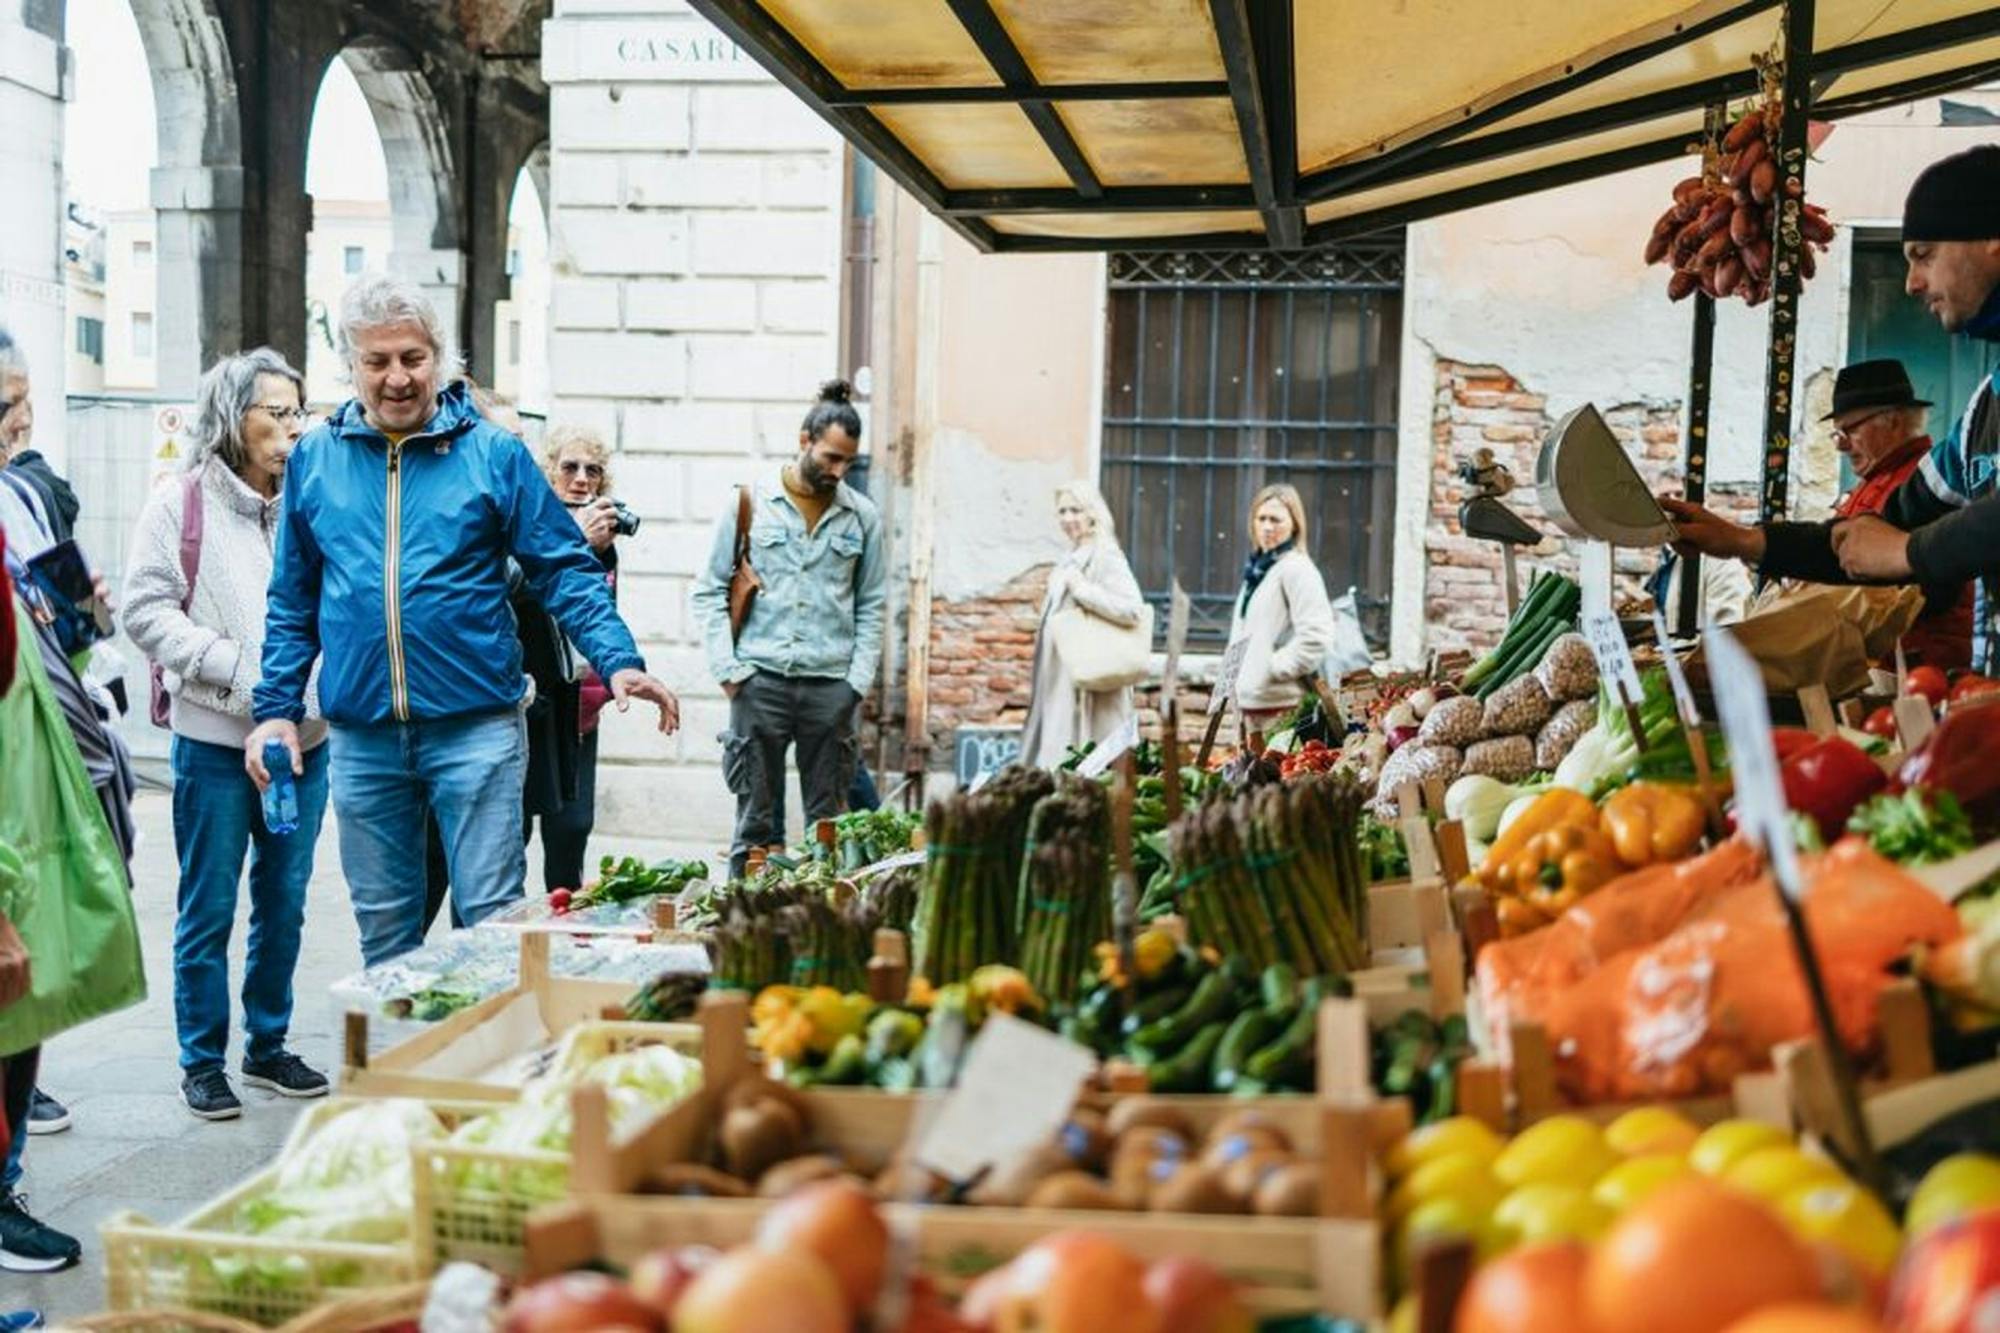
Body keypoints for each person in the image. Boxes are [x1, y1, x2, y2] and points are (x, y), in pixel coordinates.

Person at [244, 275, 680, 966]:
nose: (396, 378)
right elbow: (293, 599)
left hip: (476, 729)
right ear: (351, 364)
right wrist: (274, 711)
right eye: (377, 361)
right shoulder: (316, 460)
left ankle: (487, 1070)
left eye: (412, 358)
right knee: (386, 936)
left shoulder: (492, 453)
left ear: (438, 358)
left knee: (492, 928)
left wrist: (619, 658)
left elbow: (564, 567)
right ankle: (402, 1069)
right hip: (364, 736)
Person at [1663, 145, 2000, 671]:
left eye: (1924, 254)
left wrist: (1905, 554)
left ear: (1991, 240)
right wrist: (1741, 540)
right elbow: (1875, 529)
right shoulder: (1986, 409)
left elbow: (1909, 543)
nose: (1912, 283)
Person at [123, 349, 334, 1121]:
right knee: (208, 905)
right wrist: (239, 671)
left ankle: (268, 1043)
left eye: (295, 412)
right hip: (215, 742)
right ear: (231, 415)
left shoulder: (313, 502)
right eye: (274, 411)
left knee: (285, 902)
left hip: (306, 744)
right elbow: (144, 611)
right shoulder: (179, 504)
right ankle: (202, 1059)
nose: (290, 427)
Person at [692, 379, 888, 878]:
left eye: (848, 461)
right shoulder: (750, 503)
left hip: (830, 689)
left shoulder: (862, 518)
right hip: (760, 683)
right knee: (754, 828)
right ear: (804, 440)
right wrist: (730, 672)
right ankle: (743, 931)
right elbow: (710, 589)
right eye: (830, 457)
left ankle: (818, 937)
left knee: (830, 829)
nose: (838, 471)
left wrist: (855, 684)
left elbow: (871, 603)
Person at [1662, 360, 1972, 668]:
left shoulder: (1925, 484)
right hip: (1880, 662)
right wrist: (1739, 540)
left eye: (1849, 430)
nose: (1842, 446)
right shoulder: (1877, 482)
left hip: (1919, 666)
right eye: (1837, 435)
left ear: (1892, 421)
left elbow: (1920, 589)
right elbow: (1833, 550)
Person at [524, 424, 623, 893]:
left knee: (571, 829)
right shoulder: (533, 524)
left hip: (580, 710)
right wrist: (579, 543)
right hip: (533, 707)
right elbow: (529, 601)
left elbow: (600, 614)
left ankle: (561, 939)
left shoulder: (604, 539)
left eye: (593, 471)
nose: (582, 479)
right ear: (550, 472)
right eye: (570, 467)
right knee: (511, 835)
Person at [1019, 481, 1146, 769]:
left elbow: (1131, 609)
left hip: (1089, 680)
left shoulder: (1105, 555)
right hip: (1059, 678)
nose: (1067, 519)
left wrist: (1083, 591)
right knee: (1057, 753)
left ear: (1092, 513)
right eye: (1062, 511)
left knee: (1085, 756)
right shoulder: (1069, 559)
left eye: (1075, 510)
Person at [1229, 483, 1335, 740]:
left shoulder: (1297, 569)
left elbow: (1317, 636)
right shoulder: (1258, 571)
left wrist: (1272, 669)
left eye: (1275, 520)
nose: (1267, 527)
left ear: (1294, 524)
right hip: (1250, 703)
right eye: (1261, 518)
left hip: (1281, 705)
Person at [1639, 483, 1753, 629]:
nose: (1673, 501)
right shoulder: (1666, 556)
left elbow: (1729, 626)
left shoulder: (1720, 561)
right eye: (1665, 496)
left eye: (1679, 494)